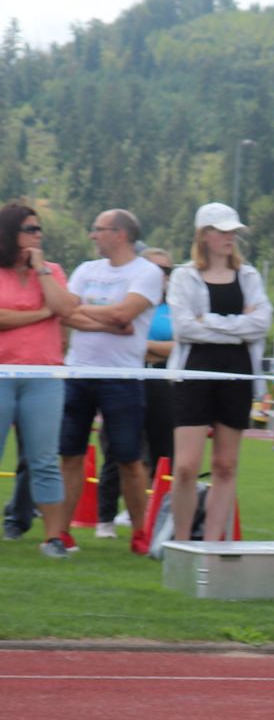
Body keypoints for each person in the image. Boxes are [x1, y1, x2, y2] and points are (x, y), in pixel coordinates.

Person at [164, 204, 272, 552]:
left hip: (237, 373)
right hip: (194, 372)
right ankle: (180, 543)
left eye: (232, 232)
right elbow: (183, 327)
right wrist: (236, 325)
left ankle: (211, 545)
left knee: (226, 465)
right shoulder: (183, 276)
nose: (230, 237)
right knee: (186, 466)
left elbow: (261, 323)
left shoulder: (250, 276)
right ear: (204, 235)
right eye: (222, 231)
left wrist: (207, 322)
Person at [57, 209, 165, 546]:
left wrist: (85, 308)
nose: (92, 235)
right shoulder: (86, 269)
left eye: (98, 229)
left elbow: (124, 313)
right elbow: (64, 311)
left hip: (122, 378)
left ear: (119, 234)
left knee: (129, 459)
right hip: (77, 373)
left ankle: (140, 534)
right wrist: (110, 320)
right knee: (70, 455)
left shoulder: (147, 272)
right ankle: (61, 532)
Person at [0, 203, 78, 556]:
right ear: (10, 233)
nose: (37, 235)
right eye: (30, 229)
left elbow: (64, 307)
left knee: (44, 460)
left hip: (44, 376)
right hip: (2, 374)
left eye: (39, 229)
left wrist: (42, 272)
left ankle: (53, 538)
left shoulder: (52, 271)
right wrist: (42, 313)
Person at [96, 246, 177, 537]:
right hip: (126, 381)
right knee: (120, 452)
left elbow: (179, 348)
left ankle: (157, 518)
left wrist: (142, 348)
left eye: (167, 270)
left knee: (165, 456)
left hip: (164, 386)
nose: (162, 276)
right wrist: (151, 350)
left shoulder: (175, 308)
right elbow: (117, 339)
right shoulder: (127, 301)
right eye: (156, 269)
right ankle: (105, 519)